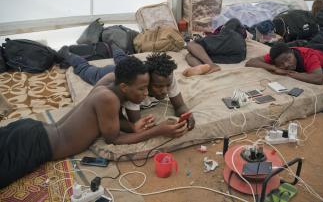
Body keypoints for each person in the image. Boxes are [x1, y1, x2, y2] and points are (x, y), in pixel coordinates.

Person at [0, 57, 189, 188]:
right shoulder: (109, 100)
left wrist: (132, 126)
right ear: (124, 87)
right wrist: (159, 130)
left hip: (33, 129)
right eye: (141, 89)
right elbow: (114, 139)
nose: (145, 94)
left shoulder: (110, 81)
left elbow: (109, 117)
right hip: (38, 144)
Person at [59, 46, 195, 130]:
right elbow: (136, 122)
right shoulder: (134, 91)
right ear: (146, 82)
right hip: (114, 72)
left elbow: (180, 105)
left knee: (122, 58)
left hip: (134, 67)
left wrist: (186, 116)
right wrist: (162, 128)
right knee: (86, 70)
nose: (165, 91)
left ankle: (115, 47)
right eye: (158, 86)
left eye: (167, 85)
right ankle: (66, 53)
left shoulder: (166, 77)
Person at [245, 42, 323, 85]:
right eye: (281, 64)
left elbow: (318, 78)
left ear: (292, 52)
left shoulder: (308, 55)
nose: (286, 65)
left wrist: (288, 73)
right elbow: (251, 62)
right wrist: (274, 68)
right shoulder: (278, 56)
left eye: (288, 59)